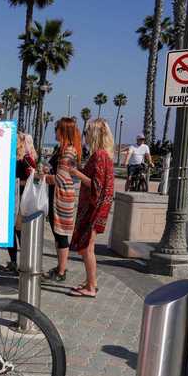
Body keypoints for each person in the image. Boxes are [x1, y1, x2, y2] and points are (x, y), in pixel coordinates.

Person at [68, 119, 115, 298]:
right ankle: (90, 282)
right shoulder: (104, 155)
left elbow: (96, 186)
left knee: (87, 247)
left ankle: (91, 286)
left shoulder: (100, 155)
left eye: (87, 133)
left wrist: (75, 173)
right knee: (87, 247)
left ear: (94, 134)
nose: (85, 137)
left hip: (94, 208)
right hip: (97, 207)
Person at [39, 117, 81, 282]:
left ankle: (62, 271)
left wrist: (44, 176)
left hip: (61, 196)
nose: (54, 131)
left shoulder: (68, 151)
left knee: (61, 234)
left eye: (56, 128)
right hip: (57, 194)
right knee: (58, 234)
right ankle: (60, 267)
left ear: (63, 131)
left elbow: (61, 178)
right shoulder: (61, 149)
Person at [0, 132, 37, 274]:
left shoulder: (26, 159)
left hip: (21, 200)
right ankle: (14, 261)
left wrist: (15, 183)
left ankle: (25, 263)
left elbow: (32, 178)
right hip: (11, 199)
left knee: (19, 231)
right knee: (10, 232)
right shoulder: (13, 157)